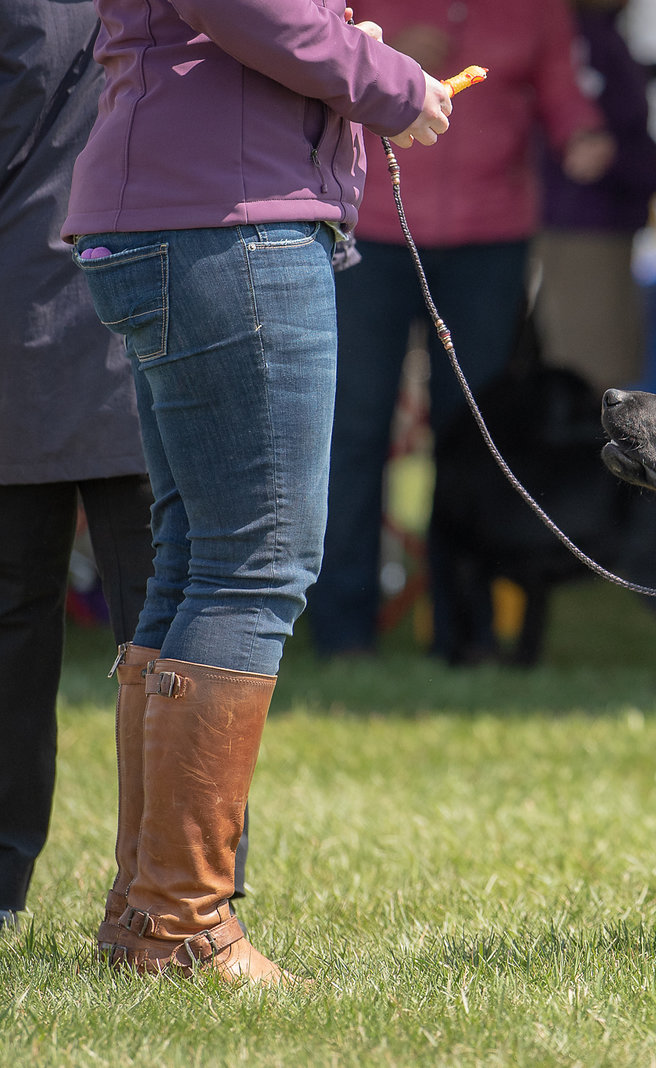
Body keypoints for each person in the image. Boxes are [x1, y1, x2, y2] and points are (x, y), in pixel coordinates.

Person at [63, 0, 452, 983]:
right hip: (224, 222)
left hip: (168, 211)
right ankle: (182, 930)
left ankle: (148, 912)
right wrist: (388, 84)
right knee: (255, 565)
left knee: (198, 560)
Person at [307, 0, 612, 664]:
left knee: (474, 440)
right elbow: (309, 57)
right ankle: (343, 632)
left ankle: (463, 635)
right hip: (372, 228)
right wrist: (376, 60)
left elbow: (562, 81)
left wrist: (581, 132)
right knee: (355, 428)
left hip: (490, 238)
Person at [0, 0, 154, 933]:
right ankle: (186, 889)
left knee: (14, 618)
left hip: (26, 311)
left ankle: (4, 884)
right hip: (155, 303)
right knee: (172, 616)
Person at [536, 0, 656, 396]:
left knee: (607, 368)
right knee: (591, 376)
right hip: (584, 221)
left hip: (605, 220)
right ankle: (586, 458)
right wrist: (653, 169)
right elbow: (592, 143)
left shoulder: (601, 34)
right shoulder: (581, 39)